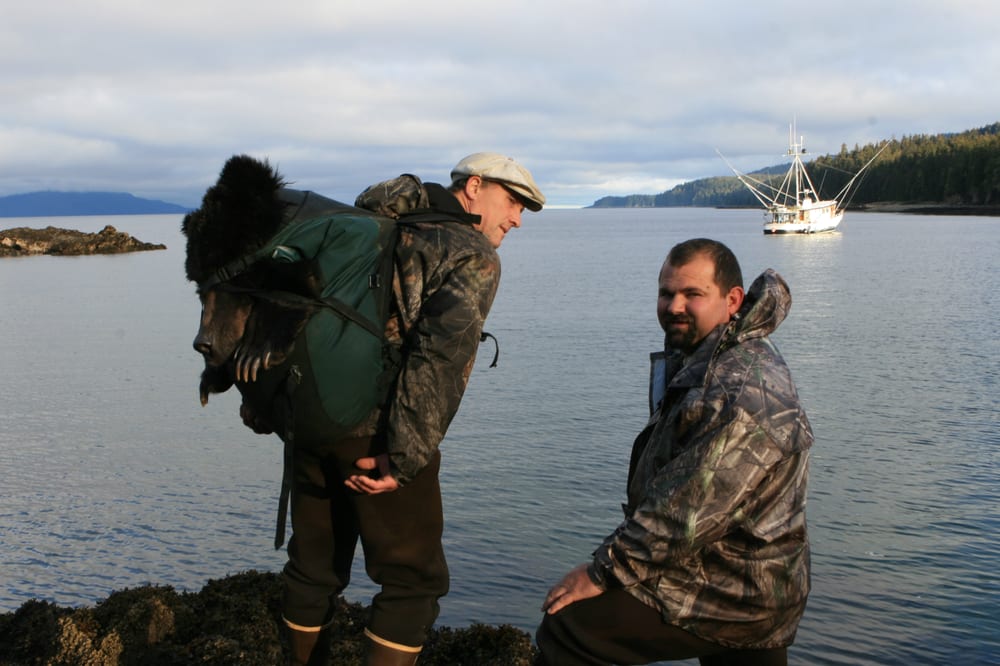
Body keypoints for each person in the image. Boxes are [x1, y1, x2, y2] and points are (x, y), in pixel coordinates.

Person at [278, 153, 545, 666]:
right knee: (413, 582)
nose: (516, 219)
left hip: (310, 419)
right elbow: (438, 360)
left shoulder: (376, 222)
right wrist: (402, 459)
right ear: (474, 186)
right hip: (376, 432)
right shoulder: (470, 253)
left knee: (313, 566)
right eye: (512, 202)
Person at [535, 238, 813, 666]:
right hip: (745, 574)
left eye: (692, 294)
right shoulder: (712, 357)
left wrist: (601, 572)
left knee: (570, 629)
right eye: (667, 293)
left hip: (734, 589)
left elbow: (683, 513)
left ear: (732, 300)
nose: (674, 306)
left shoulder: (740, 390)